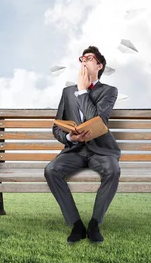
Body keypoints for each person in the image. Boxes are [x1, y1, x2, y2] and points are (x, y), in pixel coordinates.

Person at [44, 45, 121, 244]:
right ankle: (77, 224)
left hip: (100, 150)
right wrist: (70, 138)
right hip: (75, 150)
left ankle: (94, 224)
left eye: (89, 58)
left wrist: (81, 91)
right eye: (82, 58)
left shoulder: (109, 91)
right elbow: (57, 128)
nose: (83, 61)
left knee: (113, 170)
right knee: (51, 170)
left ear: (99, 65)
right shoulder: (67, 92)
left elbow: (96, 119)